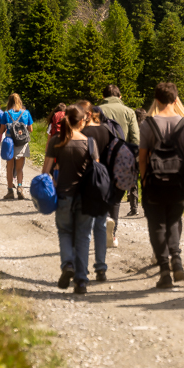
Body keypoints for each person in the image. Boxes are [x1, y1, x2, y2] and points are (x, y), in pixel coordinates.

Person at [139, 83, 184, 289]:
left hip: (154, 181)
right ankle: (177, 260)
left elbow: (142, 158)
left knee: (157, 224)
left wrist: (144, 180)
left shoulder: (147, 124)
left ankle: (164, 271)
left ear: (156, 100)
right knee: (173, 220)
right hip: (179, 182)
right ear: (175, 99)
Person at [43, 104, 98, 295]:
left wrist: (52, 184)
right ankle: (81, 281)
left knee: (65, 232)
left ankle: (67, 264)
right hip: (85, 197)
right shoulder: (89, 143)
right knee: (83, 236)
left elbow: (45, 172)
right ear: (82, 121)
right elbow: (96, 171)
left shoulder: (56, 141)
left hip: (63, 195)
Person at [76, 102, 115, 281]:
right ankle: (101, 268)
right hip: (104, 184)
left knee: (85, 231)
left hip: (87, 184)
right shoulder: (107, 131)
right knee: (100, 227)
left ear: (87, 115)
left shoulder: (83, 134)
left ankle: (82, 272)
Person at [98, 85, 140, 214]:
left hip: (101, 158)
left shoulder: (96, 111)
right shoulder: (129, 112)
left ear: (103, 96)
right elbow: (135, 139)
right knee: (116, 199)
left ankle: (103, 218)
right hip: (122, 158)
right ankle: (112, 223)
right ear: (120, 97)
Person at [1, 93, 34, 199]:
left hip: (9, 142)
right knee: (20, 168)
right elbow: (30, 129)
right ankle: (20, 187)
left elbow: (1, 130)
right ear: (20, 101)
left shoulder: (6, 113)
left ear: (9, 102)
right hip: (21, 142)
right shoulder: (26, 113)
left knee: (10, 168)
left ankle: (10, 191)